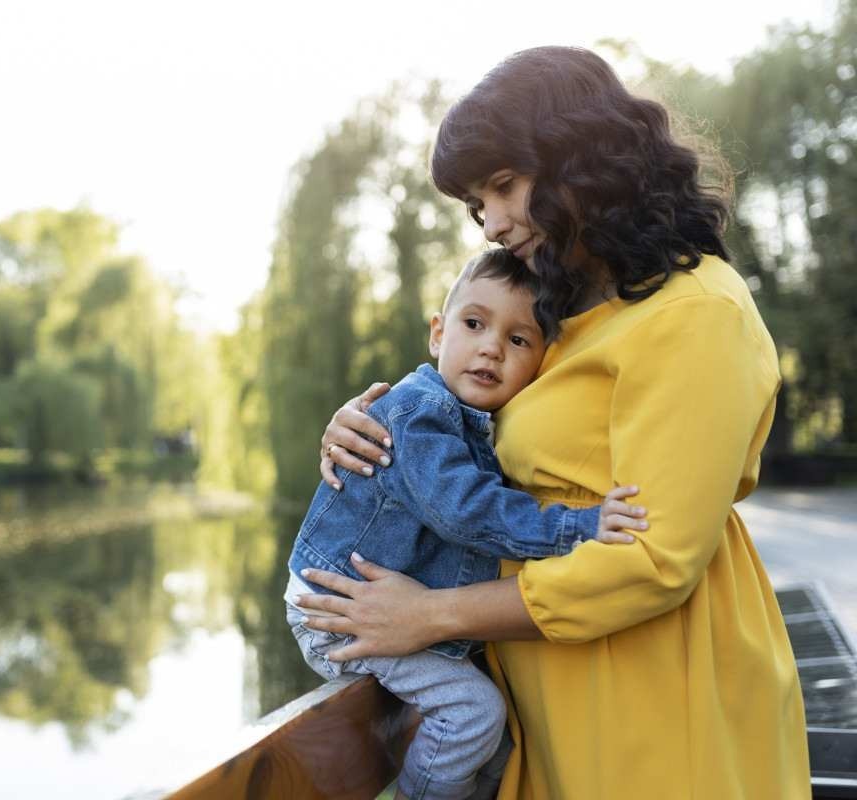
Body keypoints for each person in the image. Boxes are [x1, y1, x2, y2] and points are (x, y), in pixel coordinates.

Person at [293, 46, 811, 799]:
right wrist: (374, 427)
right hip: (552, 694)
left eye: (504, 186)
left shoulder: (697, 312)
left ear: (583, 157)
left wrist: (434, 616)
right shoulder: (557, 313)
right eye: (478, 206)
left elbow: (653, 559)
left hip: (658, 690)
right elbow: (471, 426)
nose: (493, 224)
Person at [286, 249, 647, 800]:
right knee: (473, 714)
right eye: (474, 324)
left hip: (380, 607)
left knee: (499, 751)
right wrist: (580, 527)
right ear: (438, 333)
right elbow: (467, 511)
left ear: (541, 363)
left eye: (518, 340)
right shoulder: (418, 414)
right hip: (339, 608)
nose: (491, 347)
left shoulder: (478, 426)